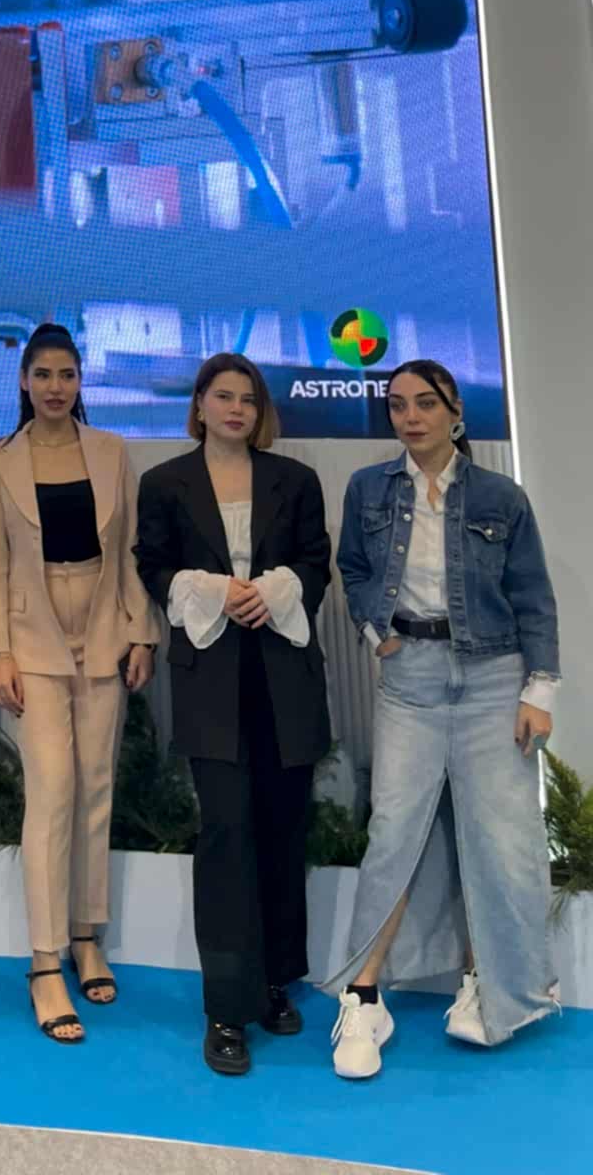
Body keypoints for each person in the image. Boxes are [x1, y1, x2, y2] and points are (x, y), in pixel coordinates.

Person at [325, 358, 559, 1080]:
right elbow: (353, 567)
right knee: (394, 832)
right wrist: (376, 631)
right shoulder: (368, 488)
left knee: (501, 838)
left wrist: (539, 691)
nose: (411, 417)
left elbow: (532, 595)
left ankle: (489, 983)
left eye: (425, 403)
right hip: (410, 680)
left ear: (455, 411)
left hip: (493, 678)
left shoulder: (501, 496)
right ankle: (364, 998)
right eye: (398, 405)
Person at [135, 353, 332, 1076]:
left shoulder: (296, 480)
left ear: (260, 411)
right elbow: (151, 565)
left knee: (282, 830)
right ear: (199, 404)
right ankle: (225, 1007)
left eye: (248, 399)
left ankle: (277, 980)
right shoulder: (164, 482)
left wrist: (274, 590)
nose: (236, 409)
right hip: (210, 682)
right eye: (223, 396)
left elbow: (316, 562)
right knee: (225, 835)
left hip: (285, 676)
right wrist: (211, 589)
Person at [0, 322, 158, 1045]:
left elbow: (133, 549)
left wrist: (141, 631)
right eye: (43, 374)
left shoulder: (111, 451)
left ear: (81, 382)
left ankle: (86, 937)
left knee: (94, 788)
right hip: (33, 638)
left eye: (67, 374)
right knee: (50, 793)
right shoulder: (0, 459)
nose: (55, 387)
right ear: (24, 382)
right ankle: (44, 961)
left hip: (104, 625)